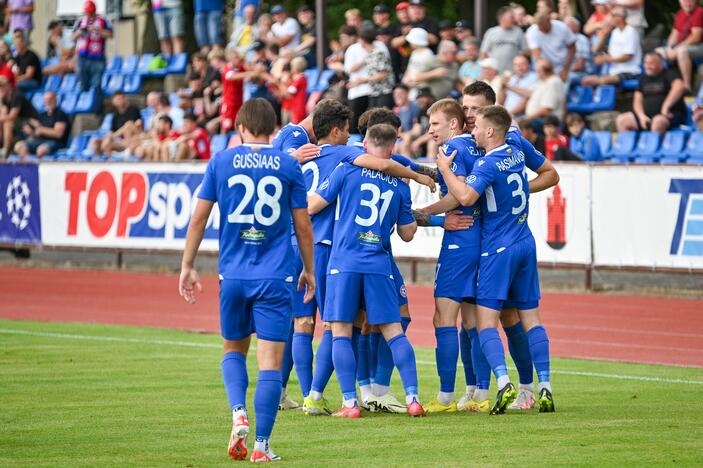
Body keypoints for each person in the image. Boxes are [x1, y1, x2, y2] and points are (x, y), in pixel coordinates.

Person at [179, 98, 315, 462]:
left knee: (233, 350)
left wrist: (187, 265)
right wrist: (309, 269)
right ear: (274, 129)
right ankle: (262, 445)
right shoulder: (288, 165)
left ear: (240, 127)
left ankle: (238, 411)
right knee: (269, 362)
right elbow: (302, 225)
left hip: (234, 275)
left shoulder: (221, 161)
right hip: (275, 275)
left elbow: (198, 219)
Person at [427, 81, 559, 411]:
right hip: (519, 241)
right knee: (514, 316)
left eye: (474, 109)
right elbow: (547, 174)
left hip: (484, 243)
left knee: (473, 319)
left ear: (489, 111)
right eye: (466, 108)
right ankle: (530, 388)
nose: (468, 114)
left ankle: (491, 388)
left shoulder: (470, 146)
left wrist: (424, 214)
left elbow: (462, 196)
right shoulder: (510, 144)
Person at [306, 122, 426, 418]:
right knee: (395, 332)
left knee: (341, 332)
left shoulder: (346, 169)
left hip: (343, 263)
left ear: (365, 143)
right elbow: (408, 233)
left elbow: (314, 205)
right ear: (393, 146)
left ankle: (350, 404)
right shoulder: (400, 184)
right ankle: (413, 399)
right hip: (378, 264)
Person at [616, 52, 688, 134]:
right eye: (646, 63)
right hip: (646, 117)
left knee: (658, 122)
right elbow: (637, 101)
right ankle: (628, 146)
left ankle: (656, 146)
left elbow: (679, 87)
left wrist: (666, 107)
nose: (647, 66)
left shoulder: (669, 74)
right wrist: (641, 116)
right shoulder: (643, 79)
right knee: (622, 120)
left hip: (668, 115)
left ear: (660, 64)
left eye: (651, 63)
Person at [582, 7, 641, 87]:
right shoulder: (615, 32)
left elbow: (628, 56)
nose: (610, 18)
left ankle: (602, 99)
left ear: (621, 17)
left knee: (604, 81)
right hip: (613, 72)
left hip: (630, 71)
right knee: (586, 80)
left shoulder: (631, 32)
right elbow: (610, 54)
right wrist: (602, 58)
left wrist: (607, 59)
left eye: (613, 15)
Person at [72, 0, 112, 111]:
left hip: (97, 58)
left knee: (96, 84)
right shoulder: (80, 22)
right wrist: (80, 32)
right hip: (82, 58)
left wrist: (97, 30)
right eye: (87, 12)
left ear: (95, 11)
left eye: (90, 12)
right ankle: (83, 108)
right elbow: (72, 38)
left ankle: (97, 110)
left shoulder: (103, 21)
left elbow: (110, 35)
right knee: (82, 84)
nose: (88, 15)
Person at [657, 0, 703, 92]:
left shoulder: (700, 12)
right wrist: (669, 47)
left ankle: (686, 86)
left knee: (682, 51)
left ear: (695, 1)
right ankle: (660, 86)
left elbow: (696, 37)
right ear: (680, 2)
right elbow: (674, 33)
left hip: (698, 46)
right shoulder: (680, 13)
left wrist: (677, 48)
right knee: (658, 52)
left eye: (690, 1)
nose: (688, 4)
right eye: (685, 1)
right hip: (682, 46)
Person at [13, 91, 69, 159]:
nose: (48, 101)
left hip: (56, 142)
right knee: (19, 146)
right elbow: (37, 132)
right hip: (40, 140)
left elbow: (58, 134)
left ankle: (39, 167)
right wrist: (31, 132)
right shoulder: (42, 115)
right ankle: (29, 165)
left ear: (55, 100)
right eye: (46, 100)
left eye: (50, 99)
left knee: (41, 149)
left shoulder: (60, 114)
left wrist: (41, 129)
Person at [525, 12, 576, 81]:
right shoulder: (531, 32)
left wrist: (566, 69)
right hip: (548, 67)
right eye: (539, 28)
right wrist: (551, 74)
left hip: (567, 65)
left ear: (549, 21)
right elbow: (538, 57)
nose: (541, 30)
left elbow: (572, 48)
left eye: (544, 27)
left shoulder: (562, 27)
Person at [480, 6, 529, 73]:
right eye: (511, 17)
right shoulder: (491, 32)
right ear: (502, 18)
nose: (513, 19)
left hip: (514, 73)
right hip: (495, 73)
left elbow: (526, 51)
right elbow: (483, 53)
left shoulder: (518, 31)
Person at [0, 75, 36, 158]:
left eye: (2, 86)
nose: (0, 88)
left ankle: (5, 151)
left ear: (9, 85)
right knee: (3, 123)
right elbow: (4, 113)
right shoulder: (5, 98)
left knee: (7, 123)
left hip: (29, 120)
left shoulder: (17, 95)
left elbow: (13, 116)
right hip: (19, 120)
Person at [98, 91, 143, 157]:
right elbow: (112, 131)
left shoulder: (133, 110)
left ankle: (127, 152)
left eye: (122, 98)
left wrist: (114, 135)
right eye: (118, 99)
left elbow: (134, 125)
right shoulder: (115, 116)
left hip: (134, 138)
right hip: (121, 140)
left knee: (128, 125)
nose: (120, 101)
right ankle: (108, 161)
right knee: (102, 142)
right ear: (113, 102)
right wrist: (110, 136)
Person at [524, 59, 567, 124]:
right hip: (536, 119)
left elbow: (546, 110)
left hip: (547, 122)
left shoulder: (553, 82)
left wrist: (526, 119)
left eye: (538, 71)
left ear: (545, 71)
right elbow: (527, 92)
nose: (537, 74)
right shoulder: (544, 81)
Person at [499, 53, 538, 119]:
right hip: (506, 116)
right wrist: (502, 87)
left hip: (522, 117)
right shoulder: (511, 78)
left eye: (522, 64)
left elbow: (530, 95)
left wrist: (509, 86)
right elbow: (500, 101)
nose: (519, 67)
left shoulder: (535, 77)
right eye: (516, 64)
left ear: (529, 64)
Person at [220, 48, 248, 134]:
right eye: (236, 58)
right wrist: (252, 73)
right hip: (229, 104)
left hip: (239, 103)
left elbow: (249, 69)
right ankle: (222, 145)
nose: (239, 60)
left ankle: (238, 144)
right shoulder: (226, 69)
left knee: (239, 125)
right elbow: (233, 76)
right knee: (226, 125)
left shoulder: (241, 68)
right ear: (231, 59)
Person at [279, 56, 308, 125]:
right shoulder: (300, 78)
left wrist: (281, 83)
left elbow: (289, 93)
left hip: (298, 107)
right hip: (296, 107)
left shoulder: (300, 78)